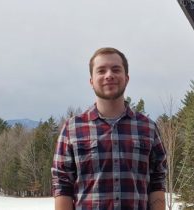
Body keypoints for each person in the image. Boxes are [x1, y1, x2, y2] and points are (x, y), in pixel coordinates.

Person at [51, 47, 167, 210]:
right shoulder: (72, 129)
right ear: (91, 81)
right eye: (101, 70)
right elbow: (62, 184)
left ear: (126, 78)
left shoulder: (148, 128)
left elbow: (157, 180)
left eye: (115, 69)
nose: (109, 75)